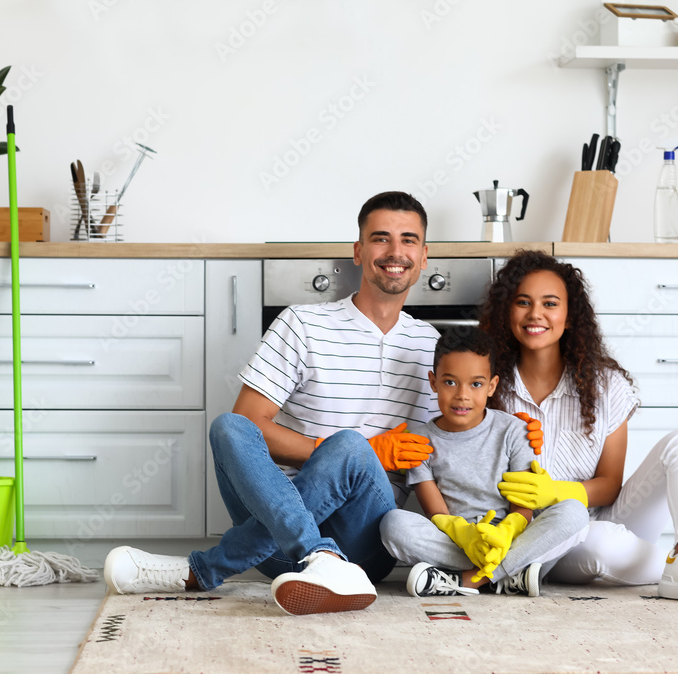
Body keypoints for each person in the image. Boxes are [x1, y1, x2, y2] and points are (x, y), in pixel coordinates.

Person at [103, 191, 441, 615]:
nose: (395, 252)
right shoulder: (303, 323)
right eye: (380, 238)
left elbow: (454, 443)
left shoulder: (433, 348)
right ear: (358, 251)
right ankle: (321, 558)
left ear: (425, 256)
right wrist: (334, 452)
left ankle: (205, 570)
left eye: (408, 240)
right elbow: (251, 422)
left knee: (351, 447)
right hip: (278, 537)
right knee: (230, 426)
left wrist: (515, 429)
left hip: (365, 543)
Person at [482, 249, 678, 604]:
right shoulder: (487, 386)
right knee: (599, 542)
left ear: (570, 316)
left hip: (611, 516)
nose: (536, 314)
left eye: (550, 303)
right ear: (506, 313)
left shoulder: (604, 385)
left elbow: (609, 486)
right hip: (547, 539)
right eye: (523, 302)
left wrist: (557, 491)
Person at [380, 328, 589, 598]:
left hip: (513, 539)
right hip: (456, 541)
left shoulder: (514, 430)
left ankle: (470, 581)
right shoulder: (419, 440)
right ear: (433, 381)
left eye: (476, 384)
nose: (462, 395)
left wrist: (506, 532)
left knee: (574, 511)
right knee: (392, 524)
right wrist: (467, 536)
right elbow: (437, 513)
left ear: (492, 385)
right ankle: (510, 577)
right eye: (450, 382)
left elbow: (522, 509)